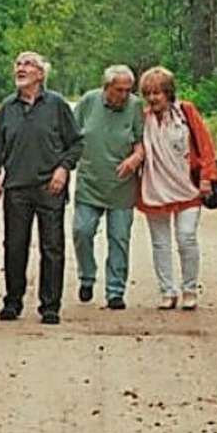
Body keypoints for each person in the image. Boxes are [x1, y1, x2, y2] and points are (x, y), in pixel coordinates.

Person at [0, 51, 83, 325]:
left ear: (41, 74)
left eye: (28, 65)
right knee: (15, 246)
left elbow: (75, 143)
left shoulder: (57, 105)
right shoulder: (7, 107)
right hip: (16, 186)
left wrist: (63, 168)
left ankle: (50, 305)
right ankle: (13, 301)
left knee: (52, 247)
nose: (21, 68)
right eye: (18, 64)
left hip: (49, 186)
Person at [136, 66, 217, 311]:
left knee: (186, 237)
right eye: (148, 93)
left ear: (168, 93)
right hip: (155, 188)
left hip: (188, 188)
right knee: (160, 243)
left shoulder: (186, 112)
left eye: (158, 93)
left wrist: (207, 177)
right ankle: (167, 290)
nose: (153, 99)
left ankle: (190, 288)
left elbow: (205, 145)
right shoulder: (143, 119)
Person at [72, 65, 145, 311]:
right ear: (106, 87)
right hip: (90, 181)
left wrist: (135, 159)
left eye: (127, 90)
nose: (123, 95)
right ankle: (87, 276)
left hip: (121, 184)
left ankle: (115, 290)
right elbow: (71, 136)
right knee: (82, 231)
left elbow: (141, 143)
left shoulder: (135, 107)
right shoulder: (89, 102)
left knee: (119, 238)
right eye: (118, 90)